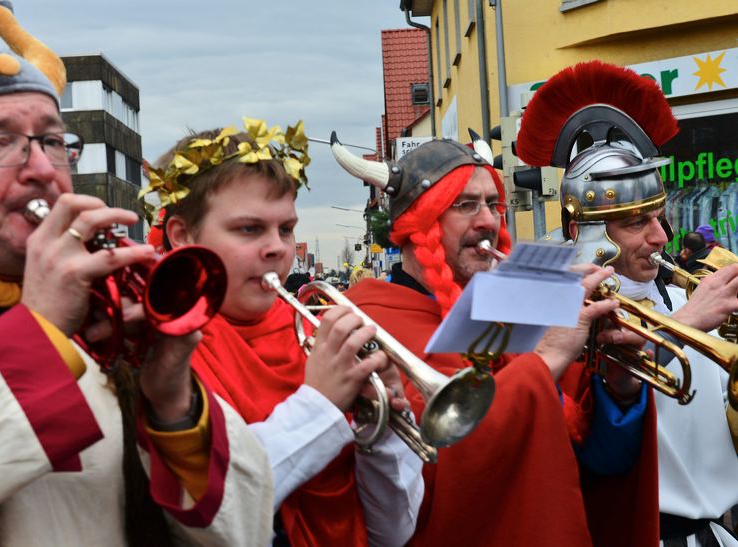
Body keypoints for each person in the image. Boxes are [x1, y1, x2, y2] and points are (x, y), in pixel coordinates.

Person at [0, 5, 273, 545]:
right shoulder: (53, 317)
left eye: (53, 141)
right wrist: (37, 331)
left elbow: (245, 531)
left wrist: (170, 397)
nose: (41, 169)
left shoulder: (95, 317)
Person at [332, 132, 658, 546]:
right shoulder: (372, 320)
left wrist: (619, 387)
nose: (488, 220)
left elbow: (594, 459)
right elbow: (439, 475)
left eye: (492, 204)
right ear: (420, 224)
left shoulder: (512, 305)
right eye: (465, 205)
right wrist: (544, 362)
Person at [145, 120, 424, 546]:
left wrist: (382, 427)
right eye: (249, 229)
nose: (278, 248)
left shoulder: (311, 331)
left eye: (286, 228)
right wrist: (321, 404)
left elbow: (393, 530)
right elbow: (213, 513)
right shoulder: (160, 352)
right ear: (182, 237)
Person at [517, 60, 738, 547]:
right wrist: (687, 323)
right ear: (585, 232)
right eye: (638, 222)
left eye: (660, 218)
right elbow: (600, 457)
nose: (661, 237)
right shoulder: (554, 322)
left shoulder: (686, 292)